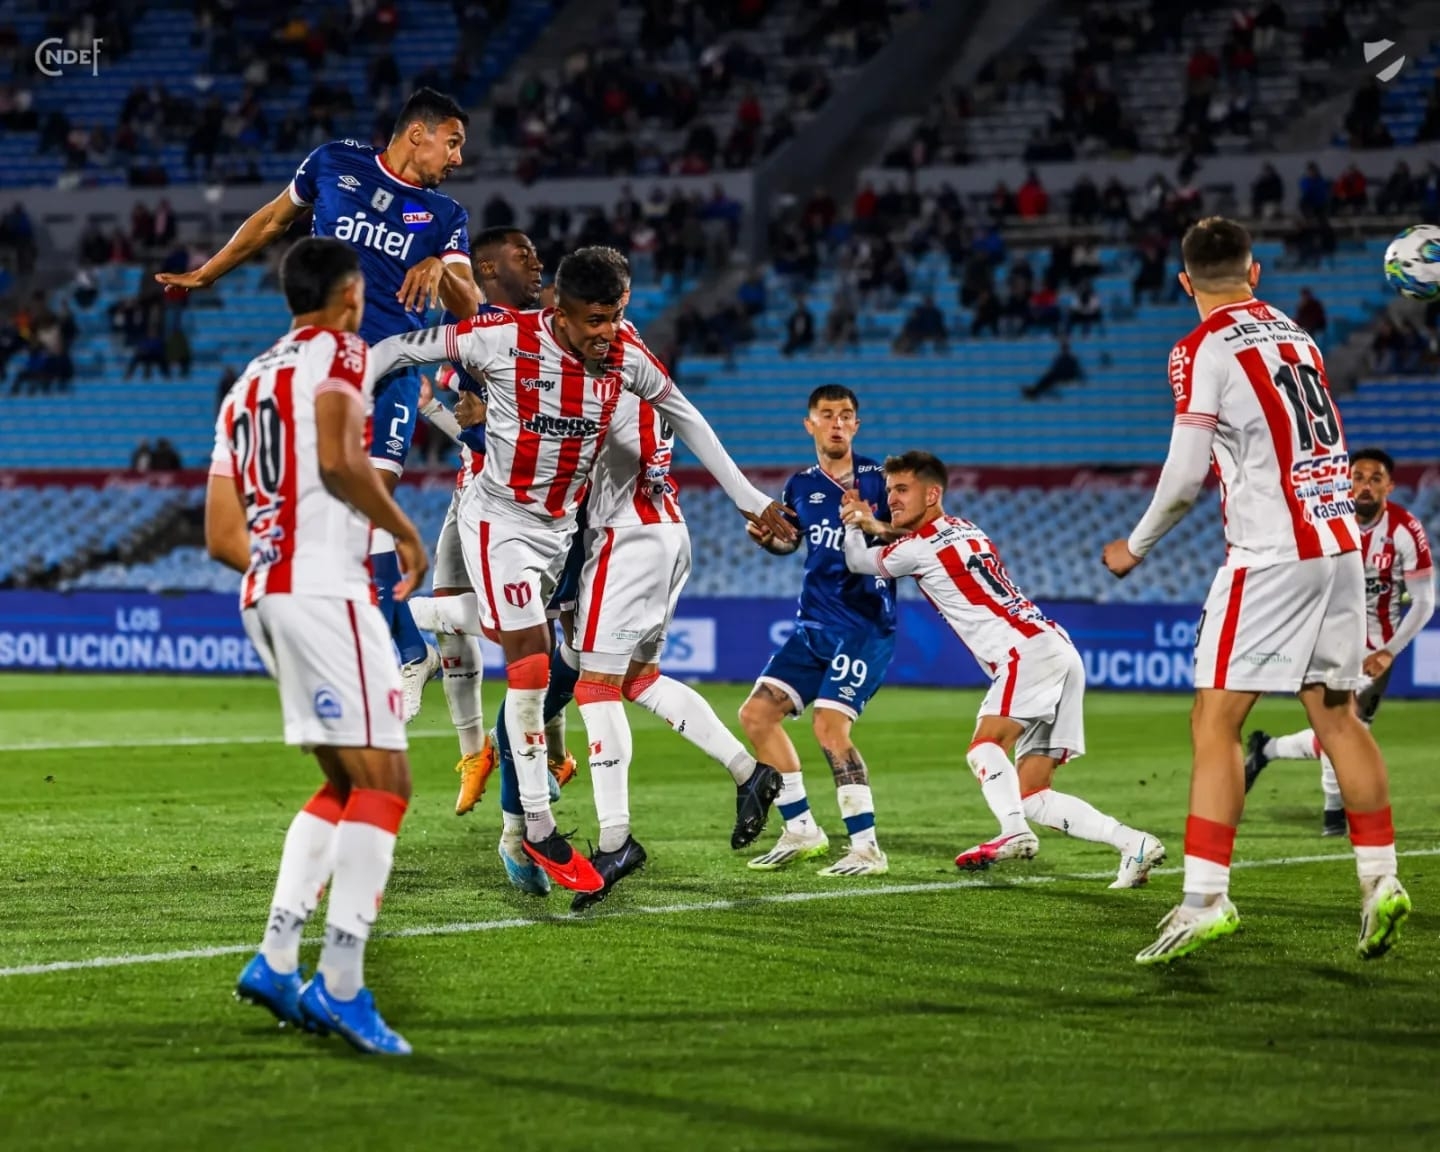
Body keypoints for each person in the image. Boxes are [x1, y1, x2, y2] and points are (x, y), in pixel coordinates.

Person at [368, 245, 795, 895]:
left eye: (616, 316)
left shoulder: (626, 354)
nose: (607, 332)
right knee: (533, 667)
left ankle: (401, 620)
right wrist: (344, 395)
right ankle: (538, 829)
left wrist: (750, 499)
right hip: (502, 524)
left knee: (551, 660)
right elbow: (398, 349)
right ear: (560, 313)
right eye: (594, 320)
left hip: (568, 533)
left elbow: (685, 413)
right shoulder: (502, 338)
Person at [1102, 216, 1411, 965]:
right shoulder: (1298, 336)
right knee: (1338, 718)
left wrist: (1134, 545)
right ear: (1255, 273)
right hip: (1341, 546)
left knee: (1215, 722)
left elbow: (1185, 477)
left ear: (1185, 282)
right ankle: (1381, 881)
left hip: (1272, 554)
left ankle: (1206, 898)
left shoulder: (1200, 347)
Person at [158, 88, 480, 720]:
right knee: (338, 524)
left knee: (365, 509)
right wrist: (208, 272)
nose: (458, 158)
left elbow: (470, 307)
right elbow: (272, 221)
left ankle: (387, 662)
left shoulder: (445, 216)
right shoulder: (335, 162)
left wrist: (442, 270)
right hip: (319, 368)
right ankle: (404, 648)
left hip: (389, 375)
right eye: (453, 142)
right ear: (417, 133)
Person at [208, 237, 428, 1055]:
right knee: (388, 782)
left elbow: (220, 535)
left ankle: (275, 959)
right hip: (324, 593)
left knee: (345, 782)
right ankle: (340, 984)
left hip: (266, 593)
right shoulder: (341, 350)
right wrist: (404, 532)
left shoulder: (245, 385)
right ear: (350, 296)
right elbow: (339, 461)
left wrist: (283, 571)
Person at [843, 452, 1163, 885]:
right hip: (1057, 647)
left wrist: (853, 522)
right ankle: (1134, 843)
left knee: (984, 747)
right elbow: (909, 537)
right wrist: (877, 525)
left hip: (1023, 653)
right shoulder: (967, 528)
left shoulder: (915, 549)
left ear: (932, 494)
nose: (891, 499)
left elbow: (858, 562)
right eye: (889, 490)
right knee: (1033, 793)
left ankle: (1013, 832)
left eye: (902, 489)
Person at [564, 385, 786, 909]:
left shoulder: (599, 373)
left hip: (625, 537)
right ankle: (748, 772)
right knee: (640, 680)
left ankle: (616, 841)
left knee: (594, 688)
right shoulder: (643, 373)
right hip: (668, 530)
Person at [739, 385, 896, 877]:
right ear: (810, 425)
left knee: (829, 726)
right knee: (757, 715)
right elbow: (794, 545)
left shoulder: (882, 481)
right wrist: (771, 542)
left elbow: (912, 533)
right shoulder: (799, 486)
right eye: (827, 415)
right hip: (813, 625)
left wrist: (872, 523)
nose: (837, 423)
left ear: (856, 425)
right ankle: (802, 828)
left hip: (863, 627)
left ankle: (866, 848)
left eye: (846, 415)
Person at [1244, 448, 1434, 833]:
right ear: (1346, 482)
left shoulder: (1404, 529)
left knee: (1350, 733)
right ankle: (1334, 815)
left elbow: (1425, 601)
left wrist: (1389, 651)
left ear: (1389, 486)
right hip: (1329, 640)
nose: (1365, 486)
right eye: (1358, 477)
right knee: (1342, 724)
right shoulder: (1325, 523)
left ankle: (1266, 748)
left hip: (1377, 651)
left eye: (1375, 479)